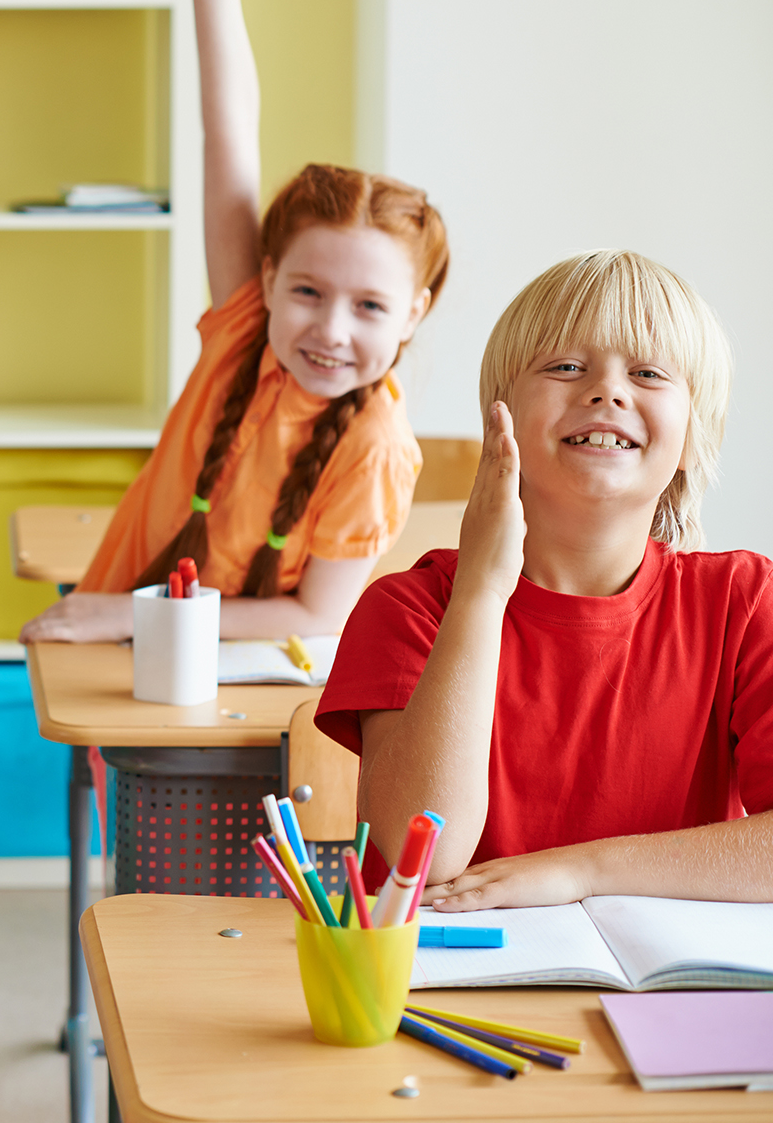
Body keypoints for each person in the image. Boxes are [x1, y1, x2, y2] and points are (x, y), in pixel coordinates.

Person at [22, 0, 449, 645]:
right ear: (265, 280)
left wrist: (122, 617)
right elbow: (230, 128)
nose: (330, 328)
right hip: (121, 655)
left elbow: (317, 616)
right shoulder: (246, 330)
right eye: (308, 291)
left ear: (415, 312)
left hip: (226, 701)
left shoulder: (373, 444)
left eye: (368, 305)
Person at [320, 251, 773, 908]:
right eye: (565, 366)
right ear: (498, 415)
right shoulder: (410, 609)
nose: (607, 392)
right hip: (448, 1001)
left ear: (692, 432)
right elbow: (428, 853)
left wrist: (578, 872)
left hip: (667, 996)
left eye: (647, 373)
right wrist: (480, 589)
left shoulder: (747, 601)